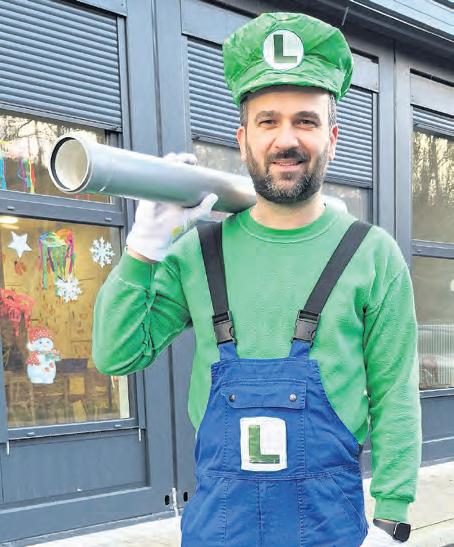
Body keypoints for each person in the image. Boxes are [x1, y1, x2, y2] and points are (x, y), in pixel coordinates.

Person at [93, 12, 421, 547]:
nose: (286, 139)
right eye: (268, 121)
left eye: (306, 121)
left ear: (332, 137)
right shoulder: (196, 253)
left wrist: (391, 518)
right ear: (243, 139)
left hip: (331, 530)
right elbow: (115, 354)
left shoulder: (372, 255)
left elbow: (395, 395)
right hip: (218, 529)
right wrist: (141, 250)